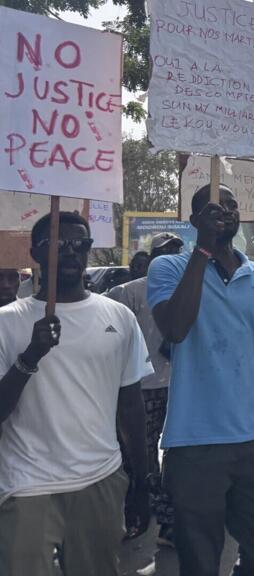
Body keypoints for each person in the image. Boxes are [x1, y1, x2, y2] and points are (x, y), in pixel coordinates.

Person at [148, 185, 254, 576]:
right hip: (193, 443)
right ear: (194, 218)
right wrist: (202, 250)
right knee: (199, 561)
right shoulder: (167, 268)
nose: (227, 212)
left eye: (232, 206)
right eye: (215, 207)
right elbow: (176, 329)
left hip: (253, 438)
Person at [0, 211, 152, 575]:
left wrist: (143, 482)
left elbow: (131, 407)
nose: (70, 251)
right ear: (35, 253)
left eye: (80, 243)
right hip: (26, 486)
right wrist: (29, 357)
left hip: (100, 479)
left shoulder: (118, 317)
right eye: (56, 243)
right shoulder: (7, 322)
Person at [106, 231, 184, 546]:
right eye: (166, 252)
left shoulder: (190, 290)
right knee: (142, 457)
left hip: (180, 385)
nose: (173, 257)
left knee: (178, 456)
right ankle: (141, 511)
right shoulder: (127, 293)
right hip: (142, 387)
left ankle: (170, 520)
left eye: (178, 251)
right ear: (151, 258)